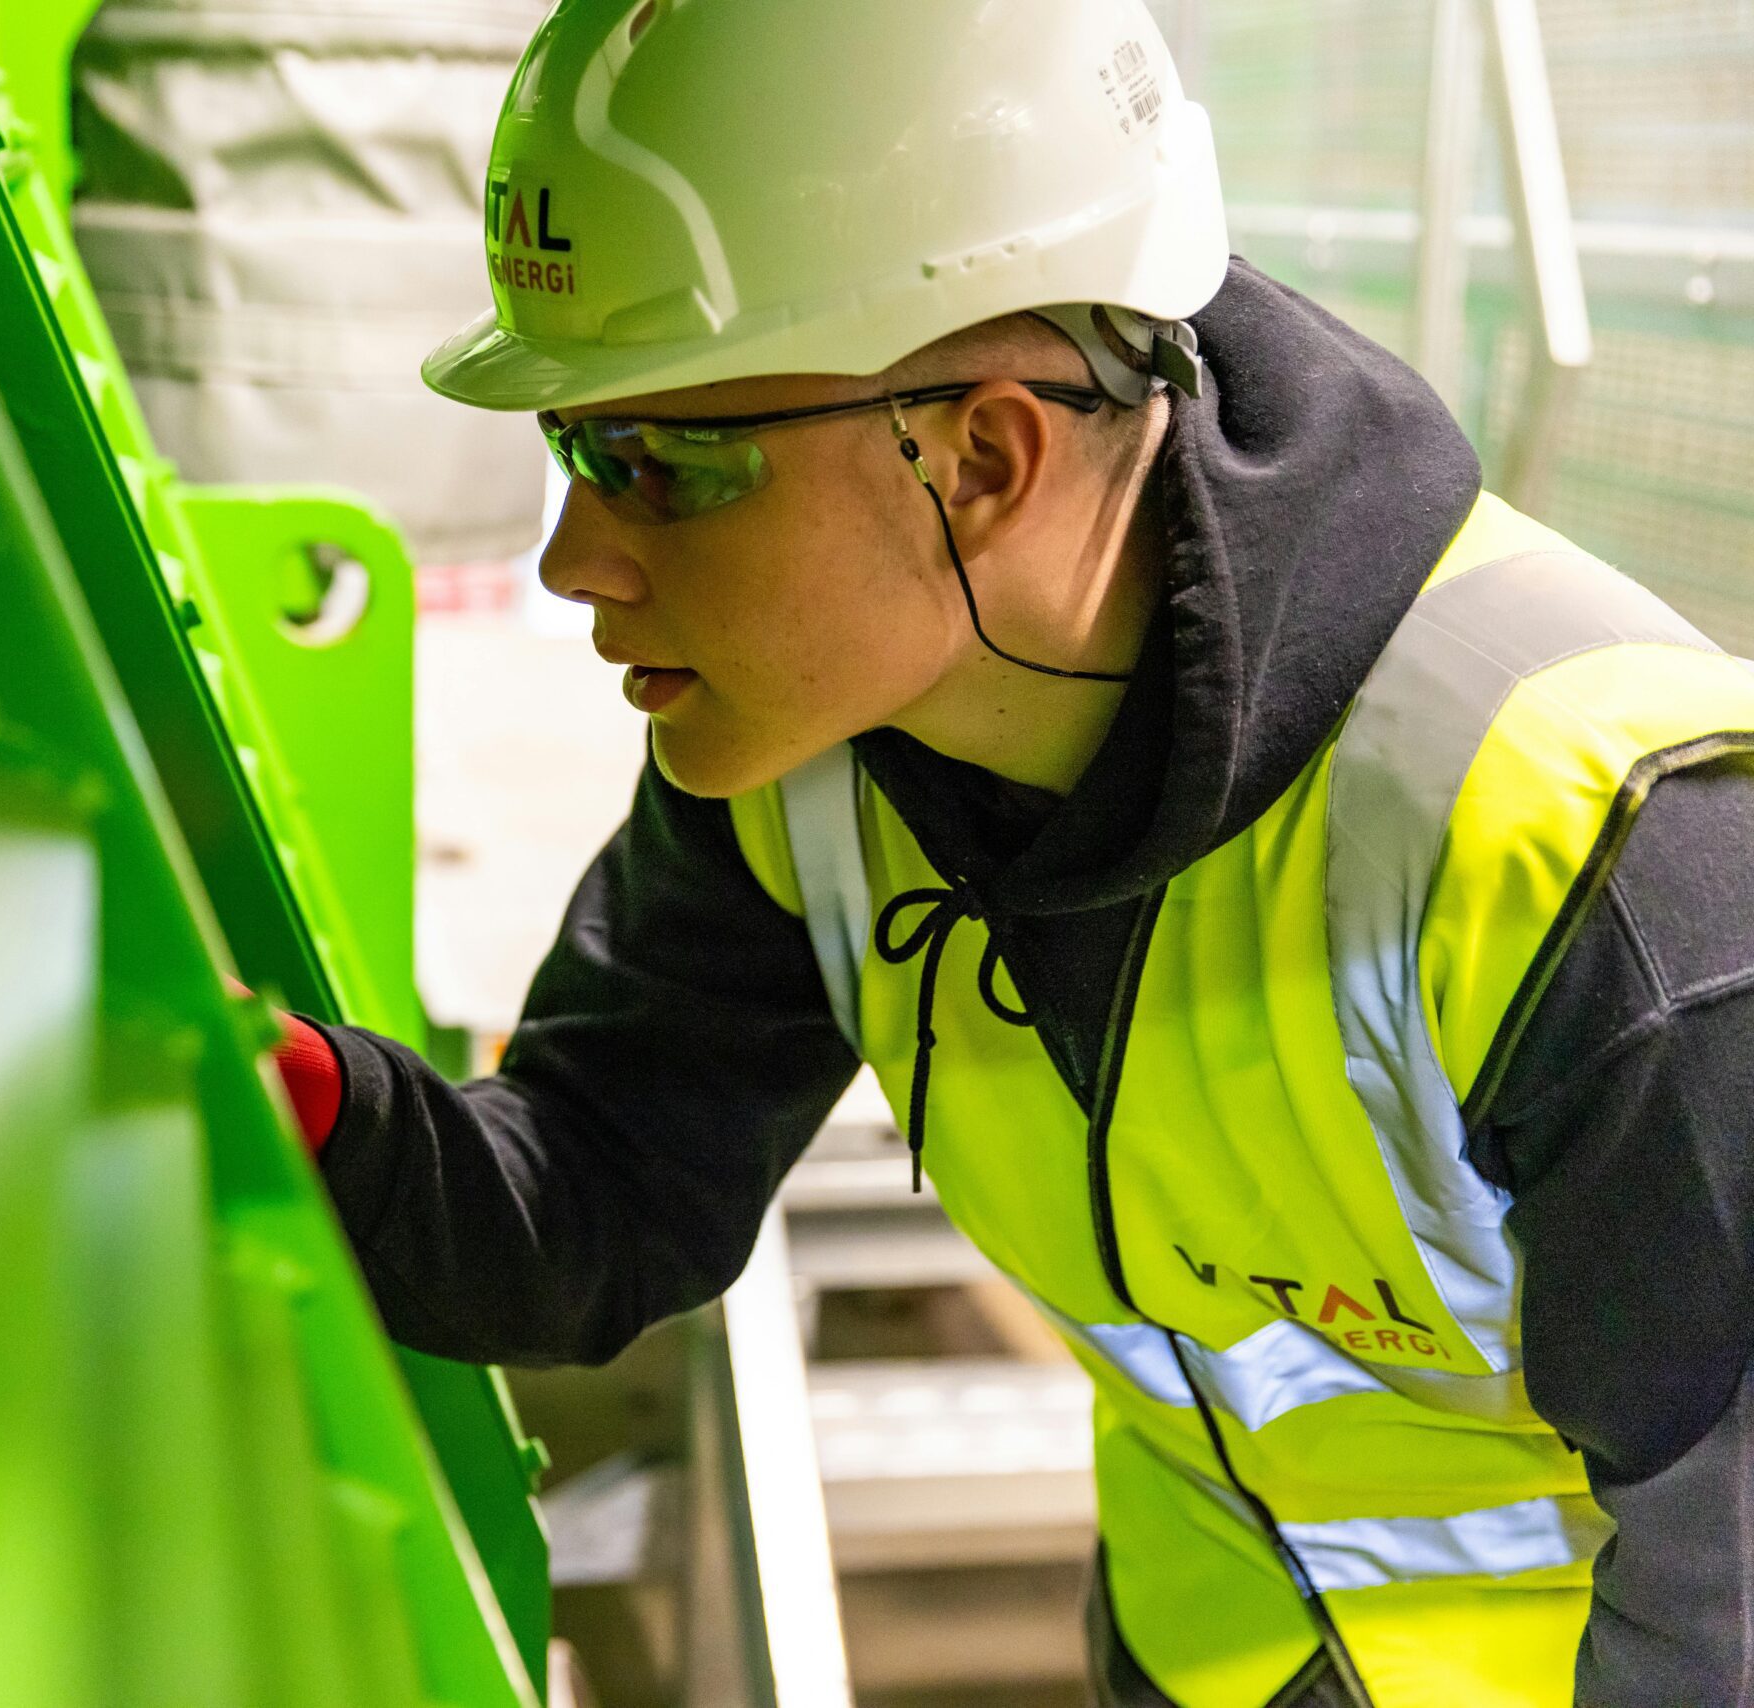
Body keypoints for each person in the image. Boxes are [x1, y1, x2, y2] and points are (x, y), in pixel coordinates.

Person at [263, 3, 1754, 1702]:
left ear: (983, 453)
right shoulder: (802, 762)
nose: (578, 560)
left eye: (656, 462)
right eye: (569, 452)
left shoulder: (1597, 862)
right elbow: (598, 1199)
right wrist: (298, 1106)